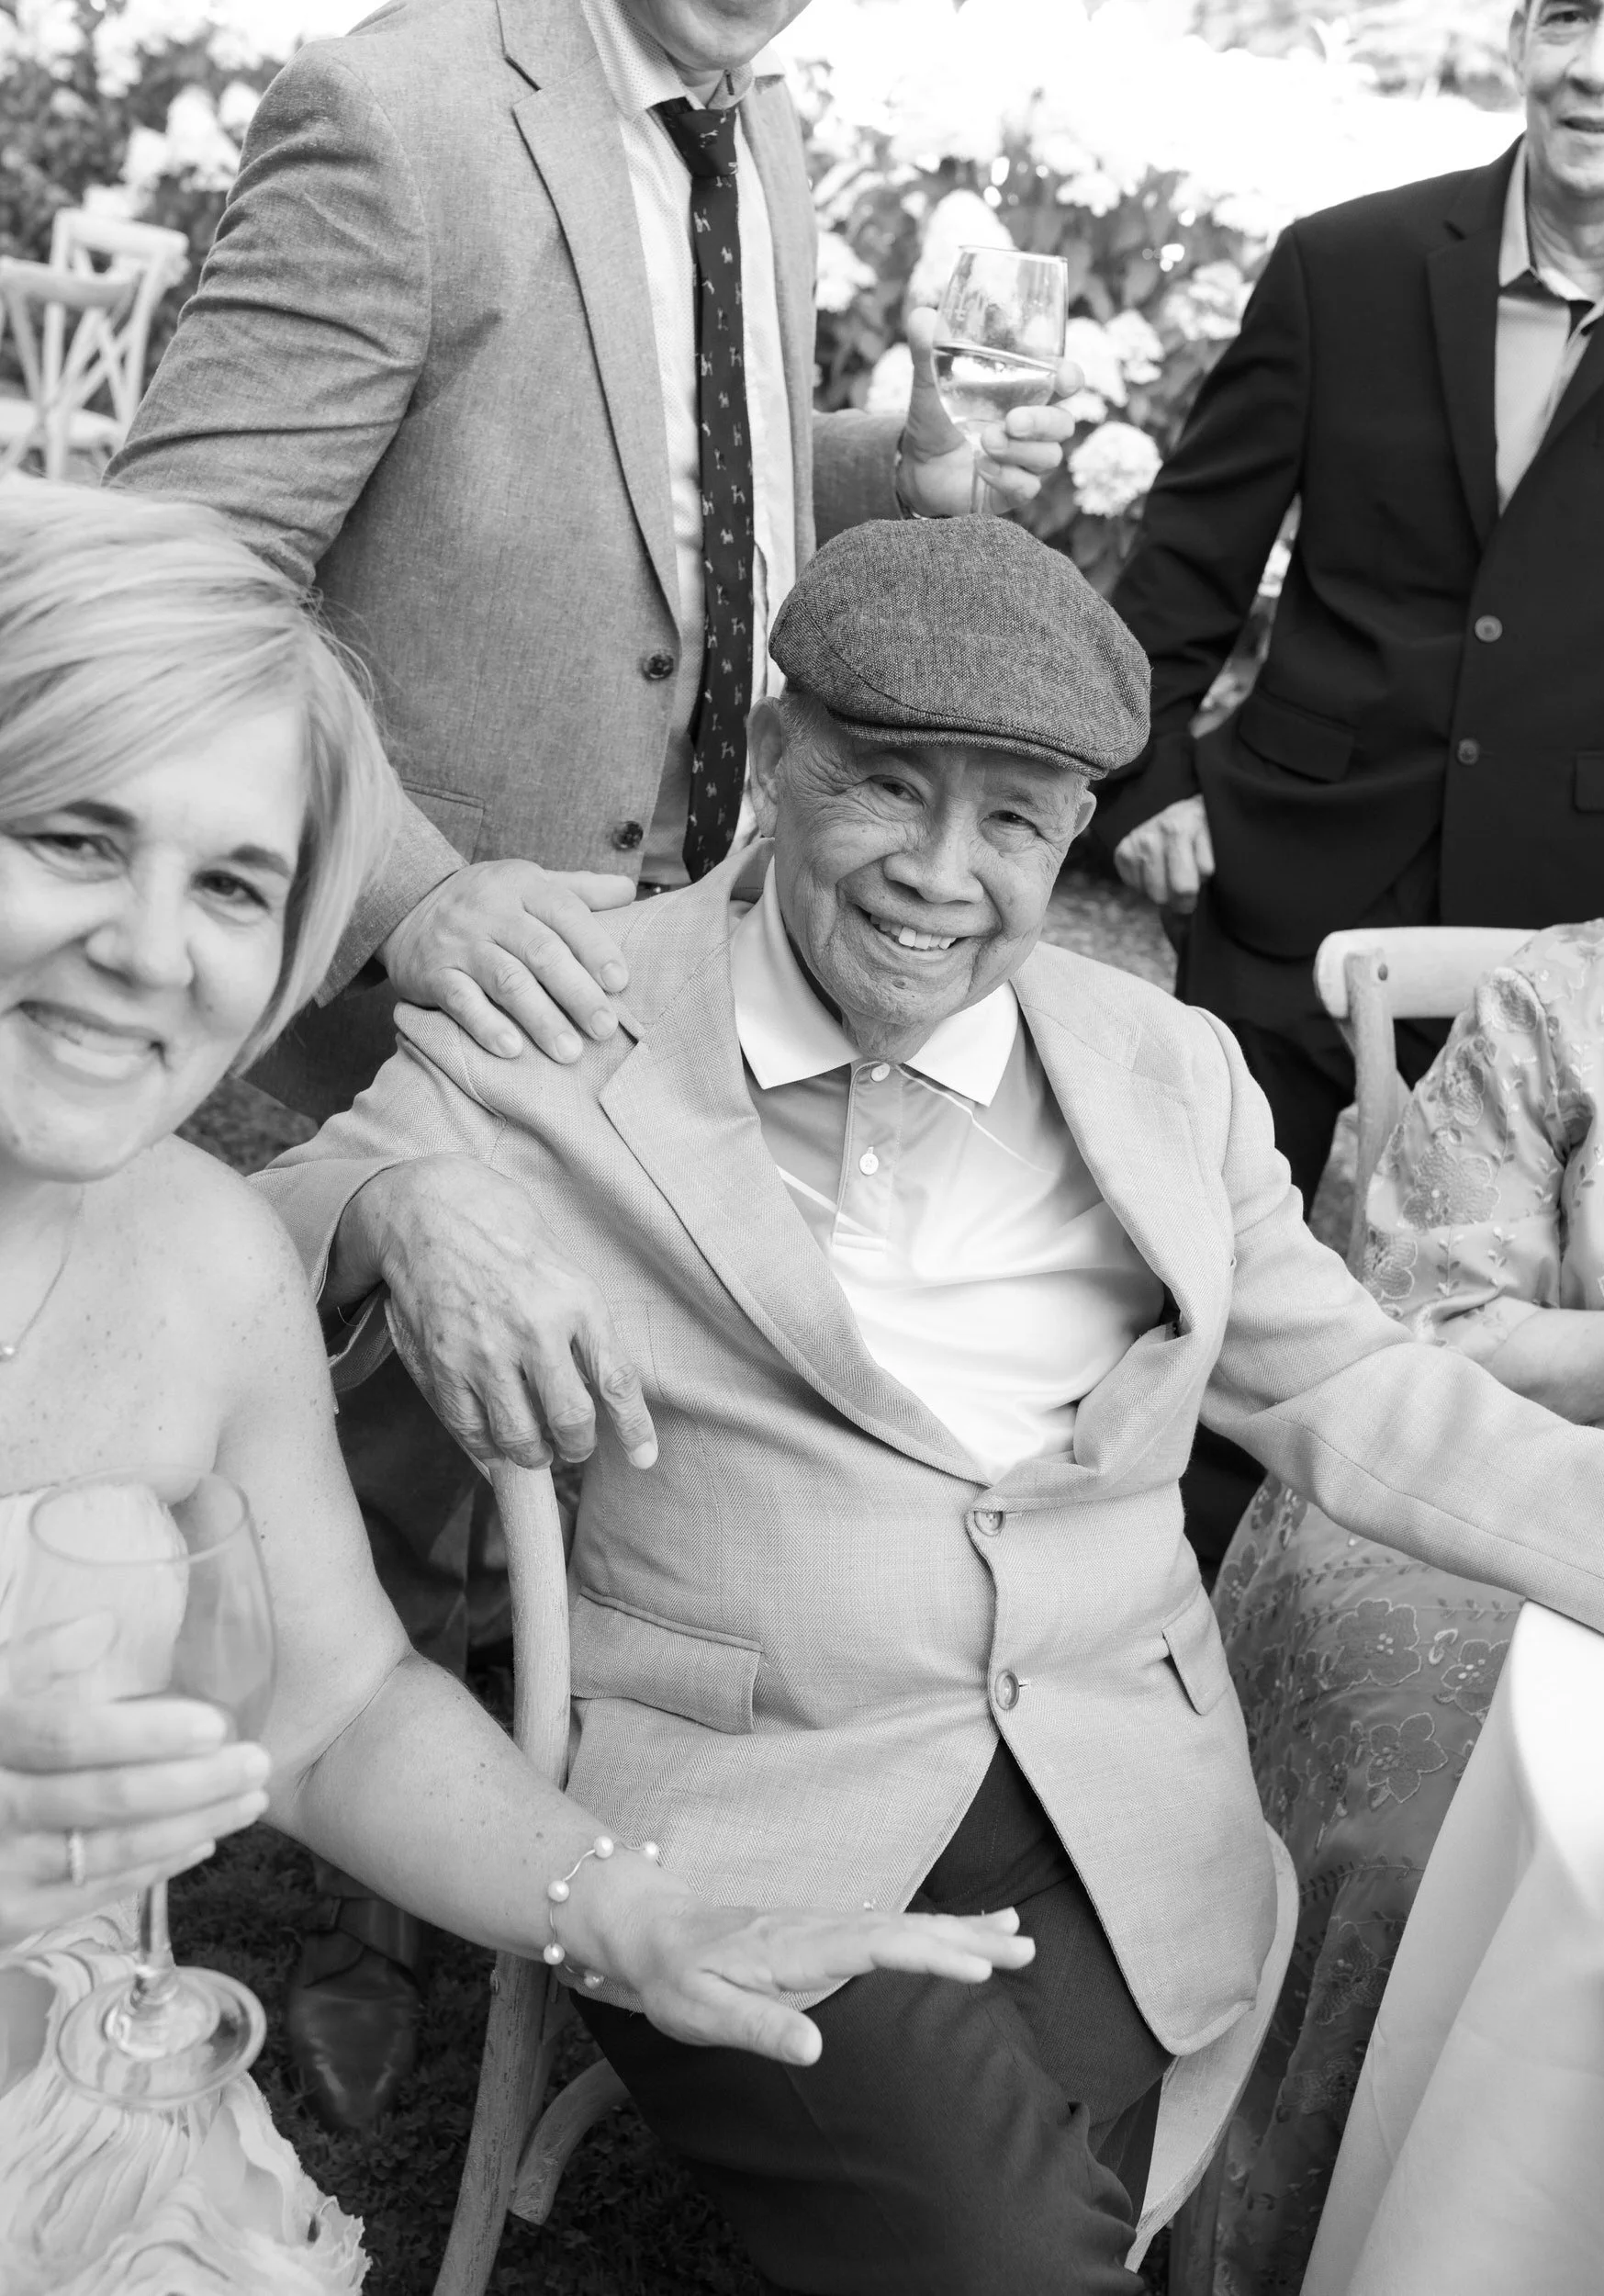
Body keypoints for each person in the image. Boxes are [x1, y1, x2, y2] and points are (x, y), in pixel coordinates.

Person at [254, 514, 1604, 2296]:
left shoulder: (1162, 1066)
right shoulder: (566, 1007)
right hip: (744, 1776)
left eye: (1013, 818)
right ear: (779, 754)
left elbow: (1343, 1373)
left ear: (1072, 834)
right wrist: (401, 1207)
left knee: (1070, 2195)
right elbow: (251, 1235)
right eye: (885, 783)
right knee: (1016, 2249)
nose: (940, 874)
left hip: (1115, 1767)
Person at [108, 0, 1082, 2110]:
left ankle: (471, 1836)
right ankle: (306, 1914)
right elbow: (187, 575)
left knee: (542, 1436)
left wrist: (867, 480)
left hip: (660, 957)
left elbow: (667, 484)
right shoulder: (400, 109)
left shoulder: (762, 117)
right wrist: (409, 886)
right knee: (335, 1446)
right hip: (420, 958)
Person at [0, 482, 1031, 2296]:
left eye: (232, 882)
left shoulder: (200, 1259)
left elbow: (323, 1708)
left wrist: (616, 1897)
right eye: (77, 837)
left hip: (68, 2109)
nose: (156, 951)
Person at [1096, 0, 1604, 1561]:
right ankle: (1134, 1626)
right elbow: (1185, 556)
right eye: (1567, 14)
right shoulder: (1348, 262)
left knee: (1528, 1360)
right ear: (1519, 33)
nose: (1602, 62)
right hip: (1287, 866)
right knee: (1175, 1298)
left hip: (1584, 931)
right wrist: (1151, 778)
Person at [1209, 872, 1604, 2296]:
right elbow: (1432, 1338)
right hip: (1477, 1471)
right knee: (1425, 1842)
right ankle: (1325, 2234)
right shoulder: (1561, 1004)